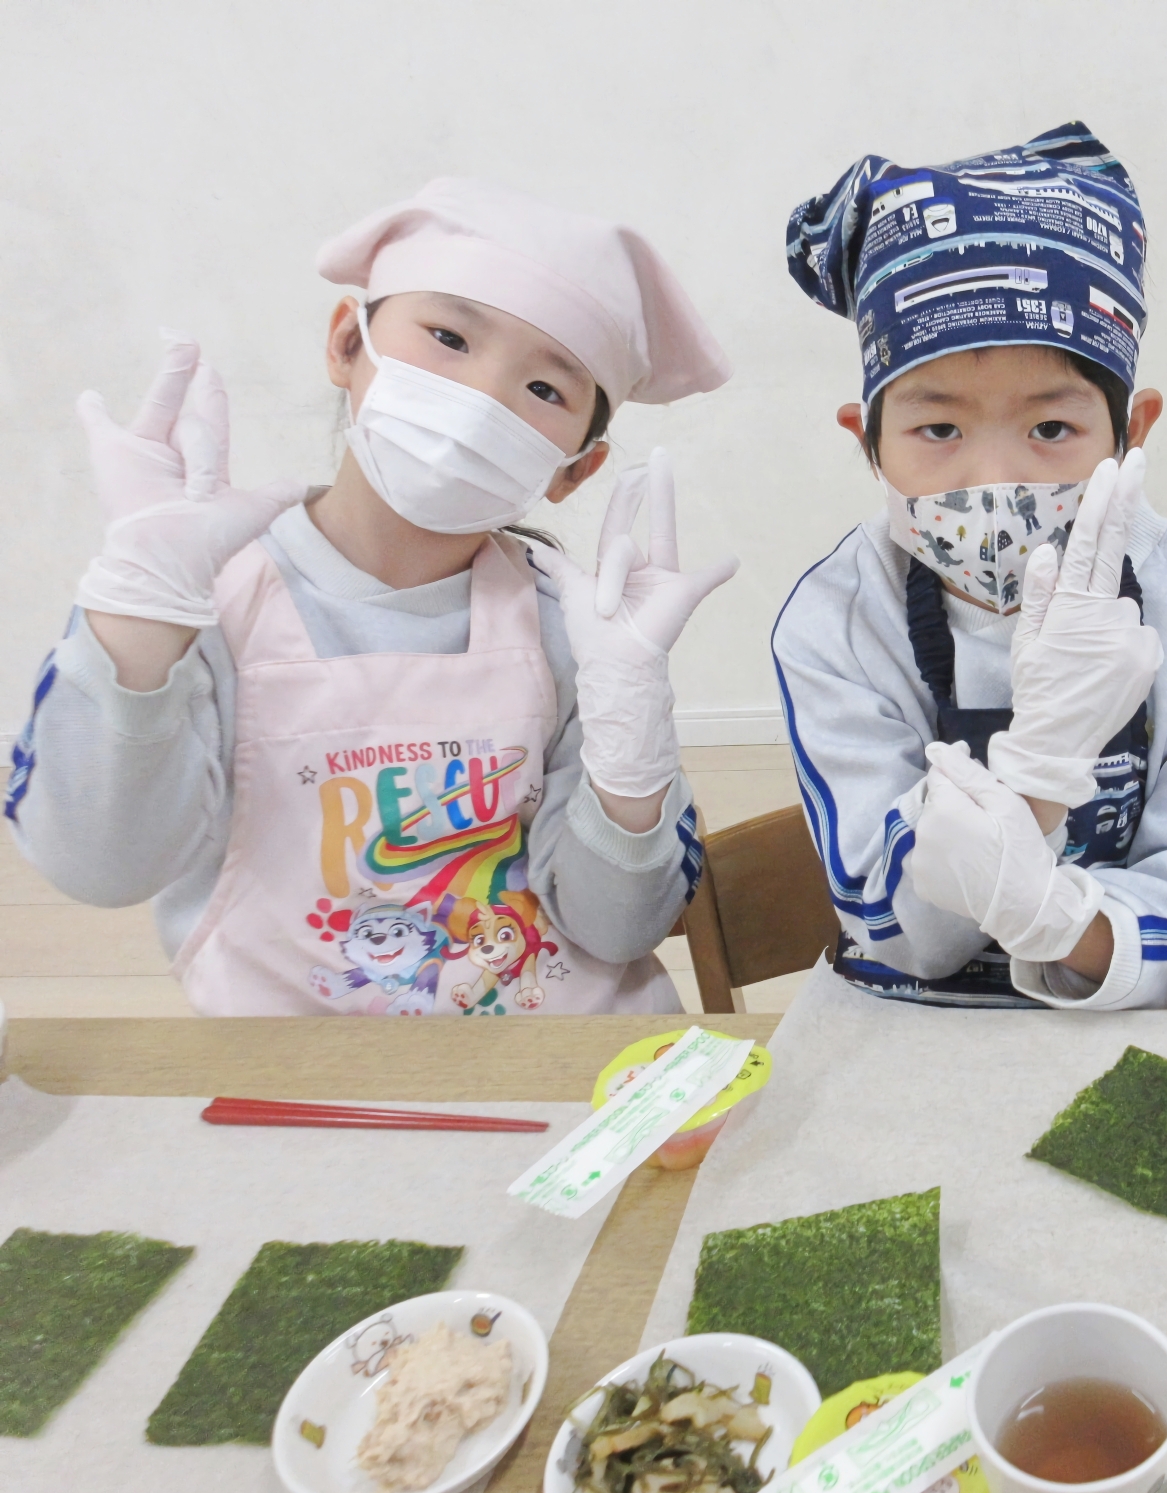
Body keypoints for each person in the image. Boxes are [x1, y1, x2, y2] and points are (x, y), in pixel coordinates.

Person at [6, 178, 738, 1016]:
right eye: (449, 338)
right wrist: (139, 610)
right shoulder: (197, 600)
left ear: (577, 468)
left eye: (546, 390)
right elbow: (101, 868)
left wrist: (631, 735)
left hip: (574, 1064)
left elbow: (619, 931)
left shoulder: (577, 630)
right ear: (347, 341)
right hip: (300, 1076)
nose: (481, 398)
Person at [774, 122, 1167, 1010]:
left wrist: (1057, 922)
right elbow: (905, 936)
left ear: (1131, 431)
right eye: (939, 428)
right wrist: (1039, 772)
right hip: (907, 1023)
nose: (993, 478)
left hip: (1127, 1015)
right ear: (869, 440)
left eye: (1051, 428)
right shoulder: (837, 621)